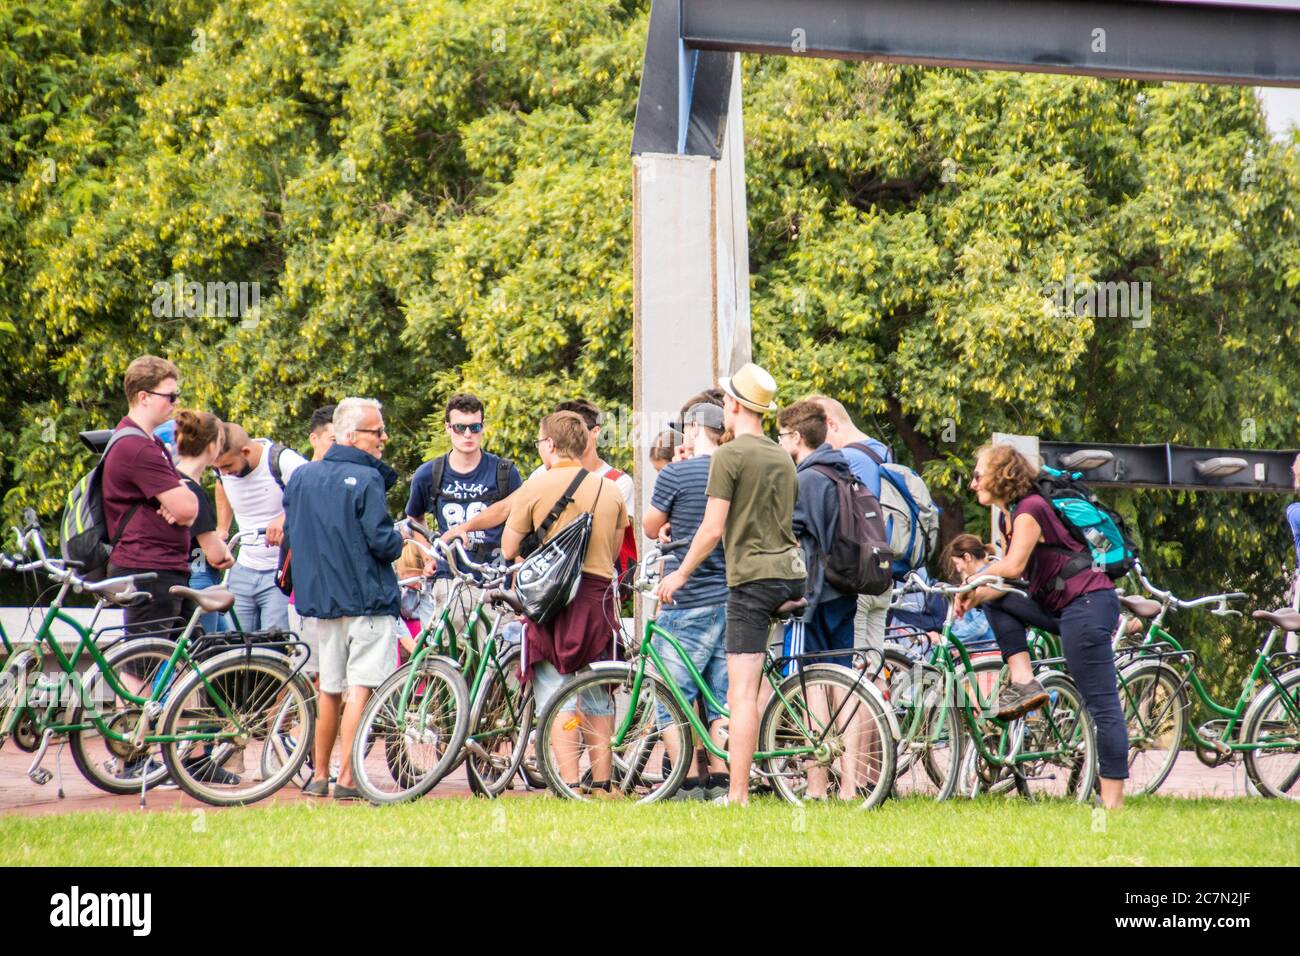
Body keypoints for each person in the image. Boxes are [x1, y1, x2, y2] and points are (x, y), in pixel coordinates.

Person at [656, 363, 805, 806]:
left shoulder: (729, 456)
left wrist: (681, 573)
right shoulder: (782, 454)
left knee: (739, 696)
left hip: (751, 580)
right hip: (791, 574)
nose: (723, 405)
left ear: (735, 406)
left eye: (725, 400)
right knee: (752, 684)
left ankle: (736, 794)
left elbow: (712, 528)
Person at [954, 442, 1127, 809]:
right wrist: (979, 591)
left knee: (1102, 707)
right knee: (994, 597)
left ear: (1001, 476)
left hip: (1088, 606)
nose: (972, 485)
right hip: (1061, 607)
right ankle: (1024, 682)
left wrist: (973, 580)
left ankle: (1112, 804)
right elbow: (1010, 580)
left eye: (978, 475)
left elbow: (1013, 567)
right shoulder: (1009, 516)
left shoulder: (1030, 509)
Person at [502, 411, 629, 794]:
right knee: (597, 692)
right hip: (598, 599)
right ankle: (603, 784)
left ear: (552, 446)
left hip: (550, 601)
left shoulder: (534, 488)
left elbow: (509, 548)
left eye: (541, 442)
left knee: (555, 692)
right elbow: (615, 546)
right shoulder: (610, 489)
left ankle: (568, 783)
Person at [283, 398, 404, 799]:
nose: (383, 437)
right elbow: (382, 543)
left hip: (320, 601)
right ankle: (348, 778)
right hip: (367, 597)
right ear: (350, 436)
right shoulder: (367, 480)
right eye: (377, 431)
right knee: (363, 688)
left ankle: (319, 775)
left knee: (329, 688)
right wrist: (402, 539)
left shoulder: (301, 477)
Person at [642, 402, 730, 800]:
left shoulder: (676, 472)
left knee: (670, 691)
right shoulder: (732, 469)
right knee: (722, 695)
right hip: (731, 596)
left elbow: (649, 525)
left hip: (687, 598)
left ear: (695, 429)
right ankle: (722, 779)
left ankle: (682, 780)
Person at [102, 355, 201, 637]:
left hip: (163, 566)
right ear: (143, 396)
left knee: (189, 656)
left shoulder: (152, 442)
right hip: (148, 568)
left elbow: (184, 503)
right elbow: (186, 509)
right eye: (170, 396)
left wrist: (179, 498)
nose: (176, 403)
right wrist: (179, 498)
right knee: (140, 669)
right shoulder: (137, 447)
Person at [405, 393, 522, 628]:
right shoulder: (429, 473)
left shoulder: (504, 471)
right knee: (451, 656)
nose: (468, 434)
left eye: (474, 427)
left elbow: (522, 524)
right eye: (460, 427)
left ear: (483, 427)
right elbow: (414, 518)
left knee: (498, 657)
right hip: (452, 578)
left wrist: (516, 584)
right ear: (448, 428)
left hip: (496, 578)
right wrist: (430, 555)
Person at [808, 395, 895, 671]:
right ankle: (881, 714)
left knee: (850, 674)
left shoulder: (847, 459)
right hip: (882, 572)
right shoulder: (882, 451)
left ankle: (859, 716)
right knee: (873, 668)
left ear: (830, 424)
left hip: (857, 575)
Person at [212, 423, 308, 632]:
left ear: (246, 451)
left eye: (228, 466)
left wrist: (286, 517)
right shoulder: (223, 471)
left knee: (271, 645)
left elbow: (315, 493)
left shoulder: (283, 461)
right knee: (234, 645)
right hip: (243, 566)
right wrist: (222, 527)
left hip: (280, 570)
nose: (224, 473)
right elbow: (221, 485)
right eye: (218, 468)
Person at [173, 410, 234, 633]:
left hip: (177, 575)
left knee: (225, 646)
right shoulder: (192, 491)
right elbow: (217, 554)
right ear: (211, 447)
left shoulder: (170, 480)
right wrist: (224, 552)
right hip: (195, 576)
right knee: (203, 651)